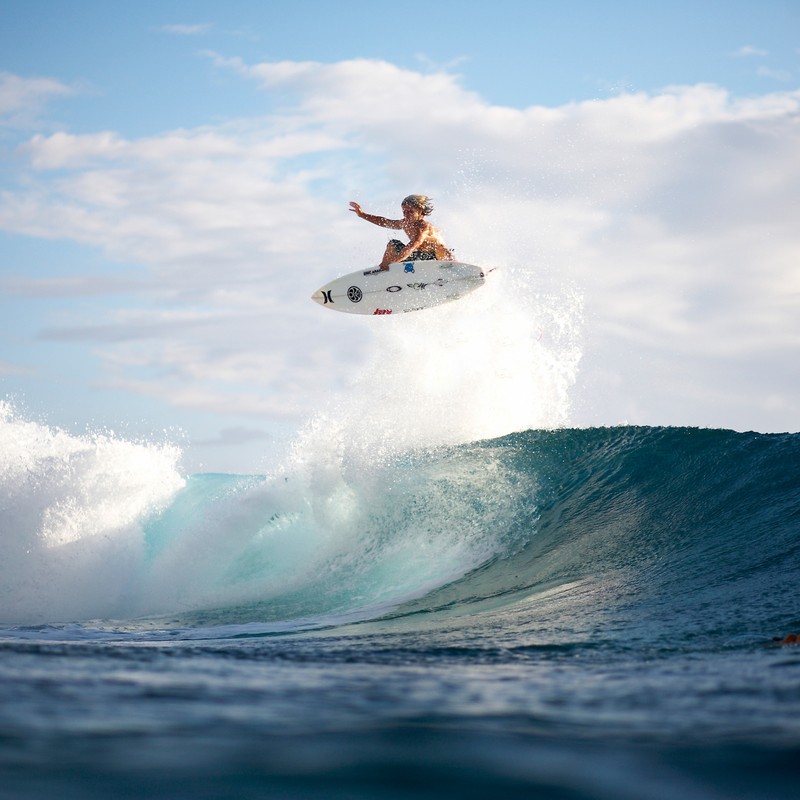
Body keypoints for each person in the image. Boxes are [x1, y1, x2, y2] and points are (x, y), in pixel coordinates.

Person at [349, 194, 454, 269]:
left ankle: (454, 266)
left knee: (441, 249)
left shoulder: (423, 227)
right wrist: (362, 215)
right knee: (392, 244)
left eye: (410, 211)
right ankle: (385, 269)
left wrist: (395, 261)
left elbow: (413, 245)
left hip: (436, 258)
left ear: (420, 212)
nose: (406, 214)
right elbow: (384, 222)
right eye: (404, 211)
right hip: (419, 257)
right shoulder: (405, 223)